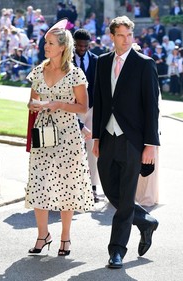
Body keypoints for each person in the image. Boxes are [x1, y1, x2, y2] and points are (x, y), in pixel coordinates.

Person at [92, 16, 160, 269]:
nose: (126, 39)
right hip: (107, 138)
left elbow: (151, 107)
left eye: (129, 35)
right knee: (111, 190)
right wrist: (97, 136)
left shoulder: (145, 64)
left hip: (133, 140)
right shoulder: (102, 62)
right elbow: (99, 102)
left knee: (125, 195)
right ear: (112, 36)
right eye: (121, 35)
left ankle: (117, 250)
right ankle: (144, 220)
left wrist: (150, 144)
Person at [25, 18, 94, 257]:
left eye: (51, 43)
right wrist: (34, 106)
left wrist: (58, 104)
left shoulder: (75, 74)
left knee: (67, 185)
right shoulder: (38, 71)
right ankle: (43, 235)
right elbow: (30, 102)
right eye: (45, 43)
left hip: (68, 136)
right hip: (42, 134)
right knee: (39, 183)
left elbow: (83, 107)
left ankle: (65, 236)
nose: (46, 47)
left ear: (62, 46)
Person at [72, 28, 101, 203]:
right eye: (79, 45)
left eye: (85, 46)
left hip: (93, 110)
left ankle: (93, 188)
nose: (82, 48)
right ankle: (75, 187)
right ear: (74, 43)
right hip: (74, 109)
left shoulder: (97, 60)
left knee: (92, 149)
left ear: (89, 44)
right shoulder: (66, 60)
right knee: (74, 148)